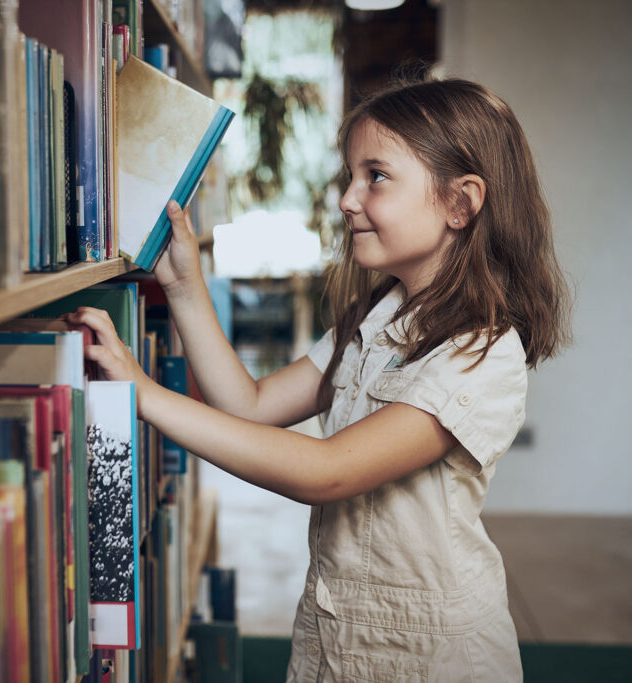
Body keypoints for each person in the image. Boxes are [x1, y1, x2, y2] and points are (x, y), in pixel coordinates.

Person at [67, 77, 570, 682]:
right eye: (349, 176)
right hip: (334, 633)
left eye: (376, 176)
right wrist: (183, 286)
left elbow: (325, 471)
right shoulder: (374, 319)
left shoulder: (481, 352)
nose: (347, 199)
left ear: (460, 204)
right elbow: (250, 406)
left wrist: (143, 396)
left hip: (433, 657)